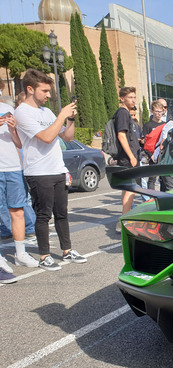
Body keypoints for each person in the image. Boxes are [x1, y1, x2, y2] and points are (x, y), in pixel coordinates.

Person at [14, 68, 87, 270]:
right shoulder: (22, 112)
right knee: (44, 215)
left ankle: (67, 250)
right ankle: (45, 255)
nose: (48, 95)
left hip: (57, 169)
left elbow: (67, 137)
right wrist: (62, 115)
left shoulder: (46, 111)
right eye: (44, 91)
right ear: (30, 89)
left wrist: (69, 118)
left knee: (62, 213)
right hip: (39, 172)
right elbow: (46, 137)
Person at [0, 97, 39, 269]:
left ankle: (20, 253)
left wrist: (13, 129)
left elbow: (19, 143)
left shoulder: (7, 108)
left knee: (18, 211)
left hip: (13, 168)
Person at [113, 87, 141, 218]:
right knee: (131, 188)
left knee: (127, 189)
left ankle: (124, 217)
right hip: (128, 158)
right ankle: (124, 218)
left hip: (127, 157)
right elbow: (121, 135)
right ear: (122, 99)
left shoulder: (124, 113)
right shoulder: (123, 113)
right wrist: (131, 156)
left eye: (134, 97)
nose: (133, 100)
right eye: (130, 97)